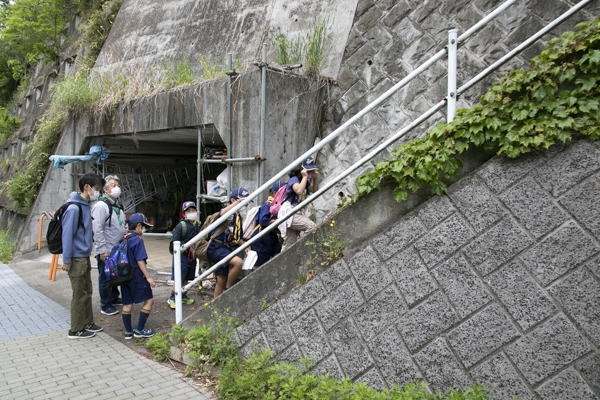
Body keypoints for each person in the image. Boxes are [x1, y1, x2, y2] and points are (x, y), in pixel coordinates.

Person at [61, 173, 105, 339]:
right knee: (79, 293)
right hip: (76, 258)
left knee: (87, 290)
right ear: (87, 187)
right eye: (96, 189)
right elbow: (67, 235)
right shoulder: (74, 208)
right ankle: (76, 329)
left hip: (84, 256)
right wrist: (66, 259)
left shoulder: (85, 205)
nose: (97, 192)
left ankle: (87, 322)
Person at [91, 175, 126, 316]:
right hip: (106, 248)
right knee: (105, 277)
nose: (116, 188)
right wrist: (102, 250)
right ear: (105, 190)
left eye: (117, 185)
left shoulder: (117, 205)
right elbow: (97, 229)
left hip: (117, 248)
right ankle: (105, 304)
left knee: (113, 275)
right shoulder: (100, 206)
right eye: (112, 185)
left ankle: (113, 297)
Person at [207, 187, 249, 297]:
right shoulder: (227, 213)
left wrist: (244, 247)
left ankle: (215, 306)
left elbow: (237, 237)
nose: (246, 205)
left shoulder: (238, 217)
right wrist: (237, 204)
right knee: (238, 262)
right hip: (216, 246)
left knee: (221, 279)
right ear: (232, 200)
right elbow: (222, 214)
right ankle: (229, 290)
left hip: (225, 248)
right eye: (244, 202)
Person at [121, 213, 156, 339]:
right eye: (144, 226)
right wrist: (148, 277)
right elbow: (140, 261)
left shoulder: (124, 238)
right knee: (149, 300)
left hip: (124, 276)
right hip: (136, 276)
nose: (144, 229)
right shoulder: (137, 240)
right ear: (139, 226)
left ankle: (128, 332)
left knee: (127, 304)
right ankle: (140, 329)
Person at [280, 157, 319, 250]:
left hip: (295, 212)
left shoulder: (304, 181)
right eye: (308, 171)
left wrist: (315, 178)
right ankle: (304, 249)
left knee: (289, 244)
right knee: (311, 226)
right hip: (288, 212)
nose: (309, 174)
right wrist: (305, 177)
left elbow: (314, 189)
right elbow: (298, 190)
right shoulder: (294, 179)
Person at [167, 201, 199, 309]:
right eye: (188, 211)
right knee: (179, 278)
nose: (191, 213)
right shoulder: (181, 226)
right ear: (184, 214)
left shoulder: (197, 225)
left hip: (192, 257)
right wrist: (185, 246)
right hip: (181, 257)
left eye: (193, 210)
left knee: (187, 277)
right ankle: (172, 297)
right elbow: (174, 241)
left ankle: (183, 295)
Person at [250, 181, 284, 270]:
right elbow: (263, 220)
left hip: (271, 236)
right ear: (275, 193)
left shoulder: (278, 205)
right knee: (257, 266)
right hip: (261, 237)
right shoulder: (268, 204)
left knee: (279, 256)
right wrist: (278, 221)